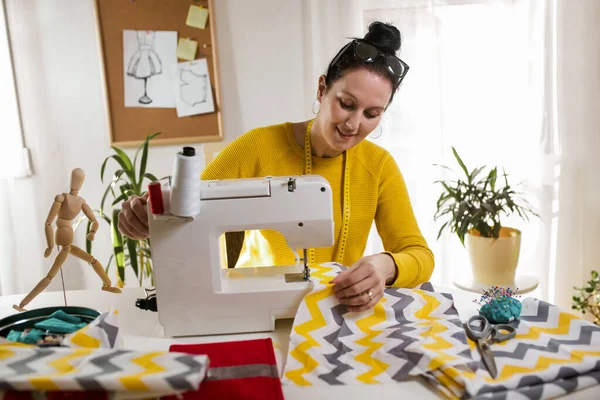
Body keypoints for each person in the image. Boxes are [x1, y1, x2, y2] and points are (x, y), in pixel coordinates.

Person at [119, 21, 434, 312]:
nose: (354, 124)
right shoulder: (257, 147)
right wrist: (143, 218)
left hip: (336, 314)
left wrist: (385, 265)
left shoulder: (379, 166)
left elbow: (419, 255)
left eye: (372, 113)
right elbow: (184, 215)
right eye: (347, 104)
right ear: (322, 89)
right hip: (256, 308)